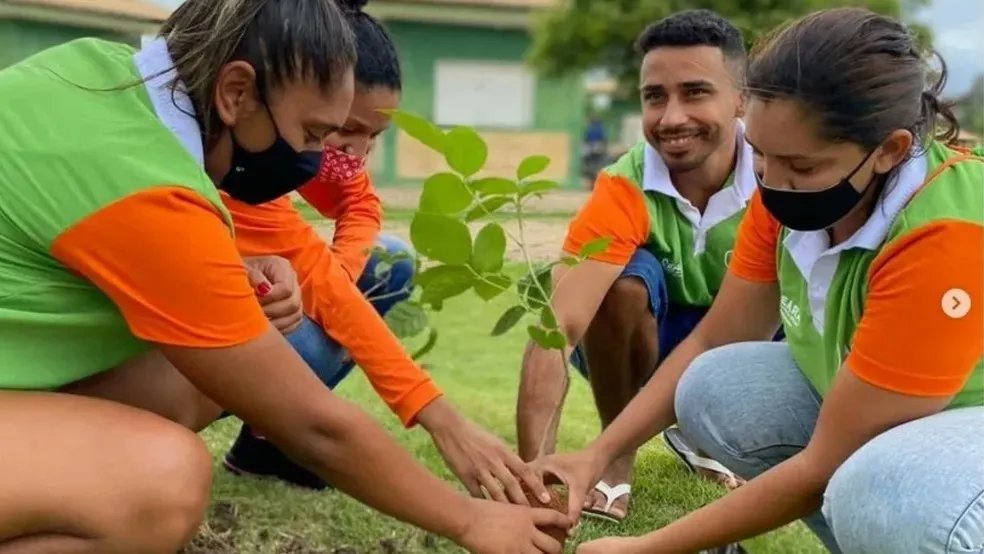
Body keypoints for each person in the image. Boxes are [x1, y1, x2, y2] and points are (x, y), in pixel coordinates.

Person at [0, 1, 570, 552]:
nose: (318, 159)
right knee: (161, 480)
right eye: (313, 134)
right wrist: (472, 521)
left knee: (199, 375)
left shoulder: (92, 71)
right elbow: (315, 428)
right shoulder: (145, 187)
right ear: (236, 93)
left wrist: (233, 271)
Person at [533, 7, 983, 554]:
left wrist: (651, 546)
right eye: (762, 154)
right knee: (715, 386)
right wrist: (600, 453)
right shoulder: (786, 189)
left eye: (802, 166)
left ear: (887, 151)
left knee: (879, 492)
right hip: (904, 409)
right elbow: (712, 338)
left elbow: (825, 462)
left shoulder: (947, 233)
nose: (771, 180)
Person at [220, 0, 544, 503]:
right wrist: (441, 421)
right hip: (175, 347)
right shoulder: (238, 172)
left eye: (373, 136)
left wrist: (340, 270)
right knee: (325, 327)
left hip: (235, 304)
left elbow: (360, 207)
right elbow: (328, 292)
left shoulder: (278, 157)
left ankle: (266, 443)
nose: (355, 152)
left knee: (387, 262)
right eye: (339, 130)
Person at [516, 9, 757, 524]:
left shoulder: (779, 174)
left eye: (695, 92)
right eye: (654, 97)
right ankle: (617, 456)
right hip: (645, 344)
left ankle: (706, 439)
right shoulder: (623, 184)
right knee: (622, 286)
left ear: (742, 99)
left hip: (744, 341)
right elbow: (557, 329)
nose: (670, 117)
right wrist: (532, 479)